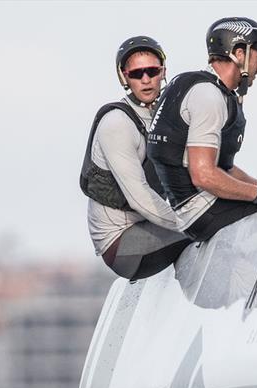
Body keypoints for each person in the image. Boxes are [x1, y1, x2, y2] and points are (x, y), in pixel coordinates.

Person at [147, 17, 257, 242]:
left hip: (199, 208)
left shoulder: (200, 86)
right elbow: (204, 175)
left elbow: (223, 169)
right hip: (202, 212)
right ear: (239, 53)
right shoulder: (208, 96)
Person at [79, 36, 190, 280]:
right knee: (203, 229)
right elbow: (139, 197)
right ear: (124, 77)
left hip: (149, 226)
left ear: (163, 71)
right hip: (123, 246)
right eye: (137, 73)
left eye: (152, 71)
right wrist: (188, 223)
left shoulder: (163, 116)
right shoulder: (117, 124)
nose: (146, 79)